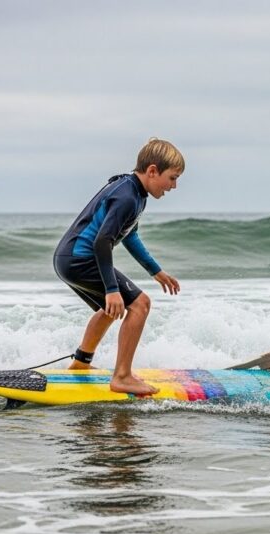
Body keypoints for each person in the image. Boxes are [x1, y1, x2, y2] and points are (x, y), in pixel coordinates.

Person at [53, 138, 183, 396]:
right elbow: (103, 241)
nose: (174, 186)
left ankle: (81, 362)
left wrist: (155, 271)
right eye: (172, 177)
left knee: (111, 309)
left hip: (67, 259)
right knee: (140, 304)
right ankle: (122, 376)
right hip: (82, 258)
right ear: (153, 170)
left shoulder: (135, 193)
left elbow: (129, 236)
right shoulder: (127, 196)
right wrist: (112, 288)